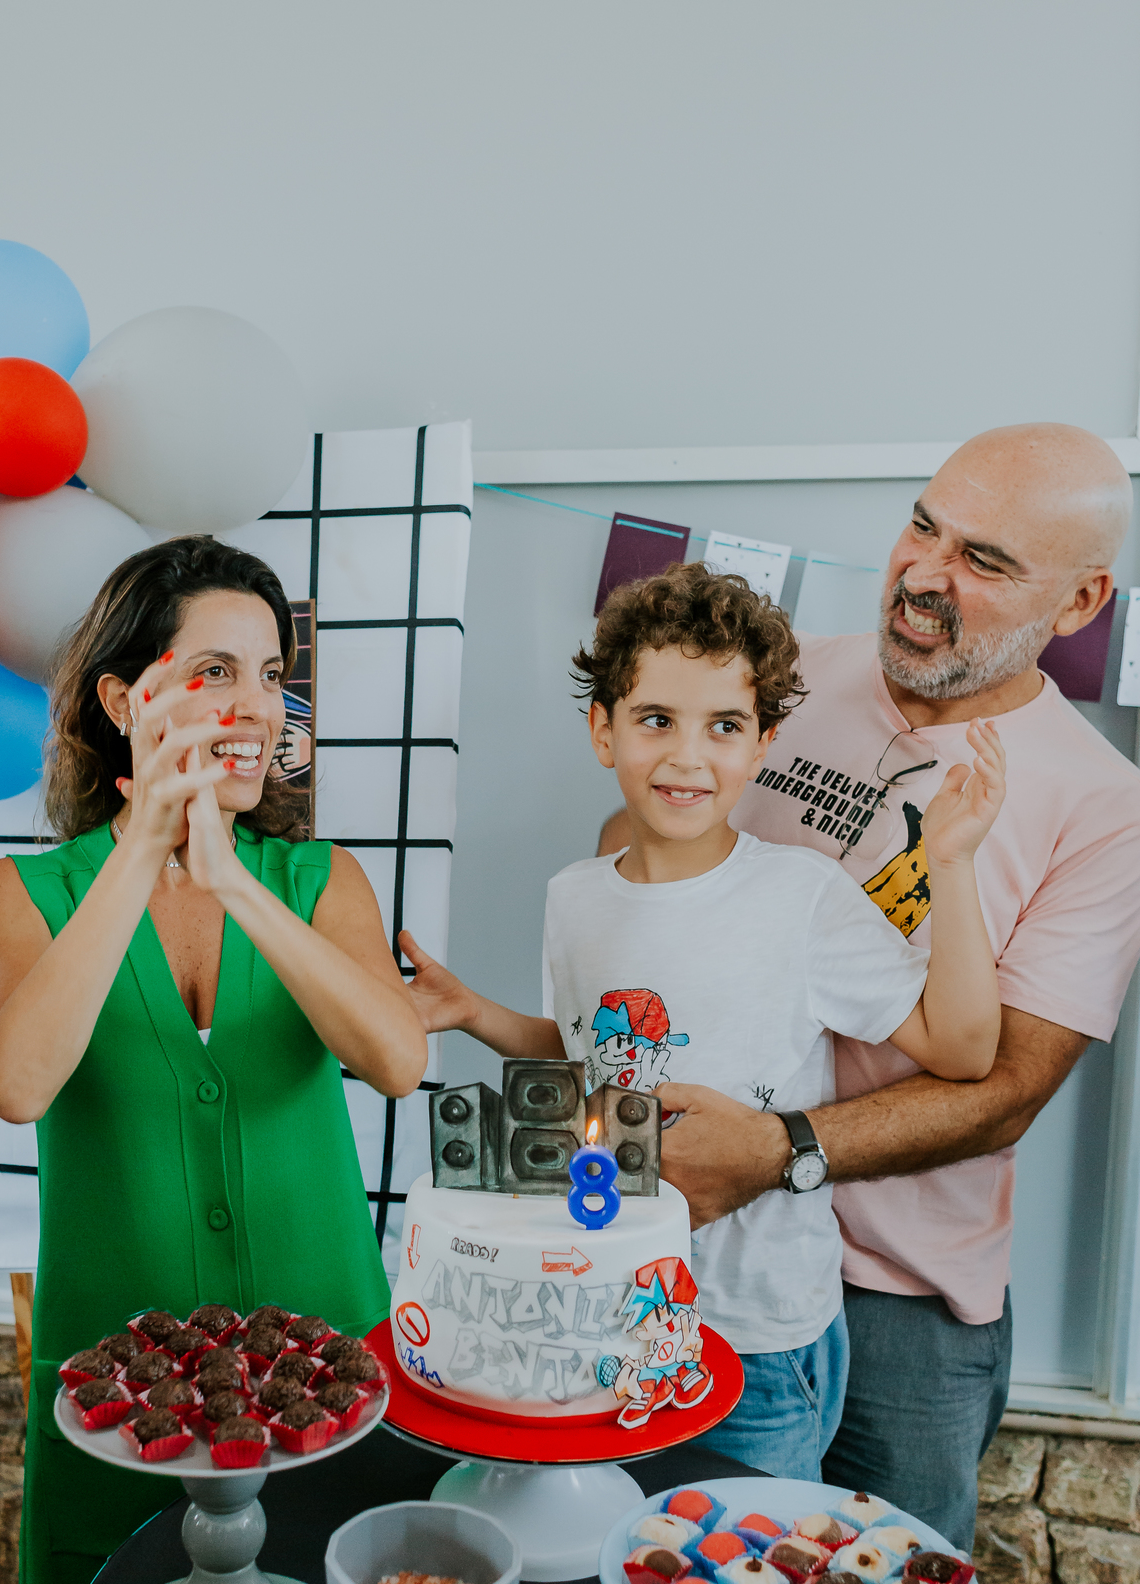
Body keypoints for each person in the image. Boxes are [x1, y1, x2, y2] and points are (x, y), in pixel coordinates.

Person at [597, 422, 1140, 1552]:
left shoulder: (1103, 806)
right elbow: (635, 878)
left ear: (1081, 603)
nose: (925, 576)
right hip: (693, 1244)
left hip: (897, 1302)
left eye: (983, 561)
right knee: (668, 1581)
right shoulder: (777, 677)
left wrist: (776, 1151)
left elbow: (1006, 1089)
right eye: (923, 528)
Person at [401, 561, 1007, 1477]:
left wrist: (950, 864)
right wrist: (475, 1013)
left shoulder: (800, 896)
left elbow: (963, 1050)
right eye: (656, 719)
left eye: (724, 726)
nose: (688, 756)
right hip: (607, 1316)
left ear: (762, 744)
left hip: (755, 1336)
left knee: (737, 1554)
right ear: (602, 730)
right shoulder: (573, 897)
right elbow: (590, 1064)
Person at [0, 536, 427, 1584]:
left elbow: (397, 1061)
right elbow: (16, 1085)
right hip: (114, 1403)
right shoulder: (25, 896)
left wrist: (232, 884)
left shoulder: (321, 881)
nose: (257, 705)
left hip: (327, 1387)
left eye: (272, 675)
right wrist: (143, 854)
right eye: (215, 671)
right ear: (126, 699)